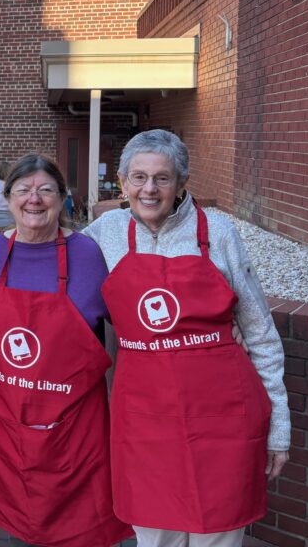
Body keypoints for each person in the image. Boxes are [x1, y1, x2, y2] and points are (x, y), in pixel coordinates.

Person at [84, 129, 289, 547]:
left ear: (182, 183)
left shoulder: (219, 233)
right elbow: (49, 263)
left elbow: (261, 335)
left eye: (162, 178)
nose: (149, 189)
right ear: (122, 182)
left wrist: (279, 429)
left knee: (217, 534)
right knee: (154, 535)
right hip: (144, 421)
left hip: (223, 419)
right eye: (139, 177)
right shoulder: (104, 233)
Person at [0, 154, 131, 547]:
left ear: (62, 198)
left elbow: (132, 327)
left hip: (75, 429)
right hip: (6, 425)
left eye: (46, 190)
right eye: (24, 190)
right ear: (8, 198)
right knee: (20, 530)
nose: (34, 199)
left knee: (80, 531)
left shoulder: (91, 254)